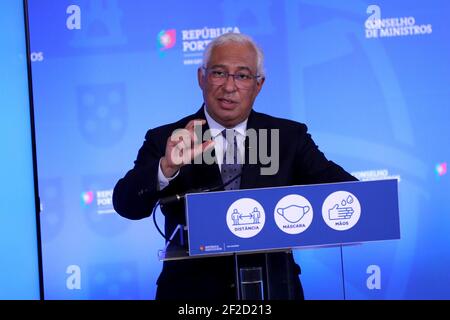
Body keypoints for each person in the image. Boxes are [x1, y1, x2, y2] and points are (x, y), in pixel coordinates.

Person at [113, 32, 357, 300]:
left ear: (259, 84)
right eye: (219, 73)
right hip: (192, 296)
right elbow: (126, 205)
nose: (229, 87)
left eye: (242, 76)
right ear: (201, 78)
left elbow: (351, 194)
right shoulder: (169, 138)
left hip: (272, 291)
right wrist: (166, 168)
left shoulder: (288, 137)